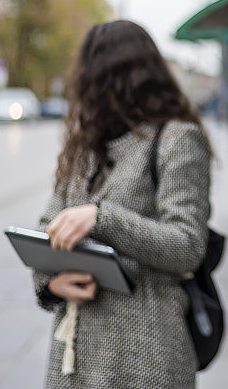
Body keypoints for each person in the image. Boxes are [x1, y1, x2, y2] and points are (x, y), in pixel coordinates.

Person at [32, 20, 212, 388]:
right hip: (75, 354)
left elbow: (188, 246)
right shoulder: (85, 146)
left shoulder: (177, 138)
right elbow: (48, 226)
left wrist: (102, 219)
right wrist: (52, 283)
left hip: (146, 349)